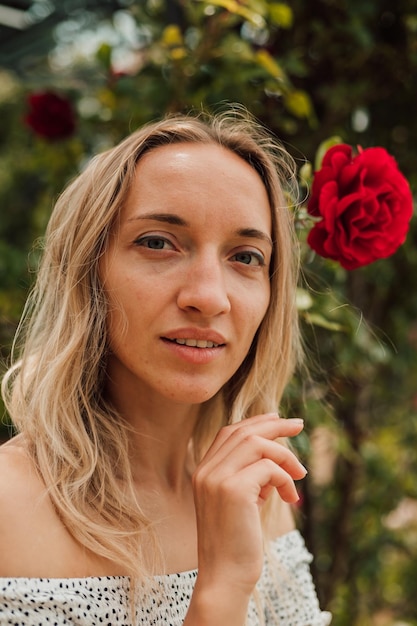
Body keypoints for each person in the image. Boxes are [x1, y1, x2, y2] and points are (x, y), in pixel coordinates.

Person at [0, 109, 332, 625]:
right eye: (158, 242)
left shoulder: (255, 494)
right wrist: (221, 591)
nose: (208, 296)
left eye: (245, 257)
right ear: (89, 272)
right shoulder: (8, 507)